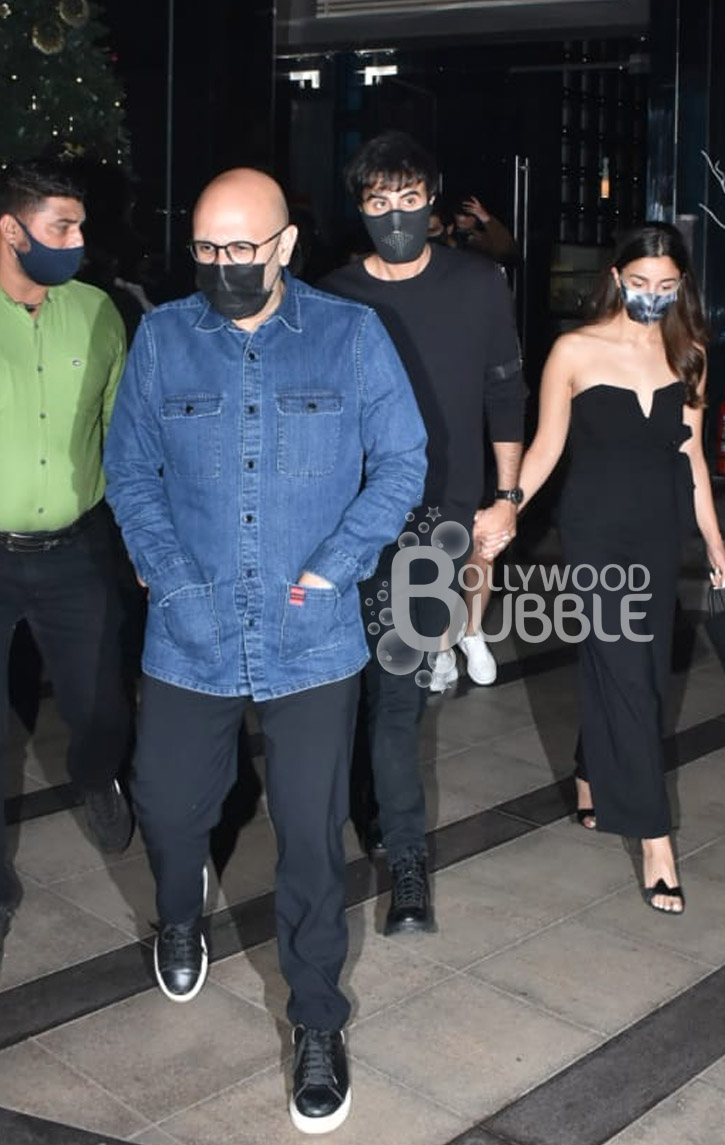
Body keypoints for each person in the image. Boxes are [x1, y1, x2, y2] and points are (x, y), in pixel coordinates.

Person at [103, 167, 426, 1135]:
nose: (223, 265)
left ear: (285, 244)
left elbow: (401, 460)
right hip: (191, 628)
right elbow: (130, 470)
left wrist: (336, 566)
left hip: (310, 637)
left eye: (242, 247)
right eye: (206, 248)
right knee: (167, 806)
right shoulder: (163, 337)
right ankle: (179, 911)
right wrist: (170, 574)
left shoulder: (351, 334)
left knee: (310, 842)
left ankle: (317, 1021)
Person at [483, 222, 725, 914]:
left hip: (658, 530)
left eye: (667, 285)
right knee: (630, 676)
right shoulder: (574, 349)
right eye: (640, 282)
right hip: (595, 532)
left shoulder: (689, 353)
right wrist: (507, 505)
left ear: (681, 285)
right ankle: (656, 840)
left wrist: (713, 540)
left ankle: (590, 770)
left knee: (637, 666)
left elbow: (691, 456)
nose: (652, 295)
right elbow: (545, 446)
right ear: (616, 277)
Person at [320, 131, 527, 933]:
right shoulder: (333, 294)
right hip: (348, 515)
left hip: (437, 516)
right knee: (347, 691)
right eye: (379, 201)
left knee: (399, 691)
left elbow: (503, 391)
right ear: (360, 208)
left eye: (409, 198)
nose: (396, 215)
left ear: (432, 200)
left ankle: (406, 864)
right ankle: (367, 808)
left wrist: (504, 498)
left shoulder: (477, 284)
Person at [0, 161, 135, 964]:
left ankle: (95, 775)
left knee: (101, 707)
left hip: (76, 549)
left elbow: (122, 432)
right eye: (62, 227)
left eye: (79, 225)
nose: (79, 241)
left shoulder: (97, 313)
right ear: (10, 229)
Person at [452, 195, 520, 267]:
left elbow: (505, 252)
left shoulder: (485, 239)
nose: (462, 219)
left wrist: (487, 220)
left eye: (468, 215)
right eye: (459, 214)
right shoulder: (449, 236)